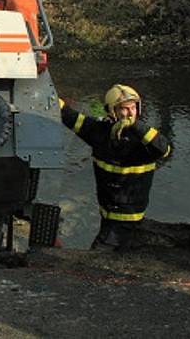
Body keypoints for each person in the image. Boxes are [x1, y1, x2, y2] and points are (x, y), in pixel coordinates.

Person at [60, 84, 171, 250]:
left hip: (128, 219)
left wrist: (136, 127)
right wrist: (43, 89)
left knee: (97, 257)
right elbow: (70, 117)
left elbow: (164, 149)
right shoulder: (99, 132)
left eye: (133, 108)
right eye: (123, 109)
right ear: (112, 111)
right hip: (108, 214)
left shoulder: (144, 140)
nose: (129, 113)